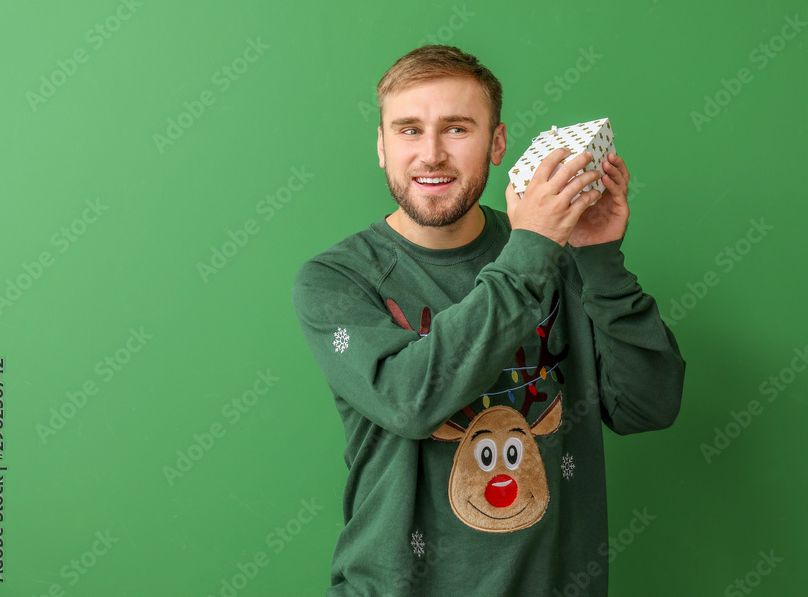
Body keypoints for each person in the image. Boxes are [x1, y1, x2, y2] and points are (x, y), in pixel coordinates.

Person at [292, 45, 685, 595]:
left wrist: (599, 259)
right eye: (408, 130)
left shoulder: (557, 252)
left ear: (497, 143)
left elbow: (649, 405)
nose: (431, 155)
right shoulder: (336, 281)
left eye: (457, 129)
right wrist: (532, 250)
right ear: (381, 147)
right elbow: (410, 401)